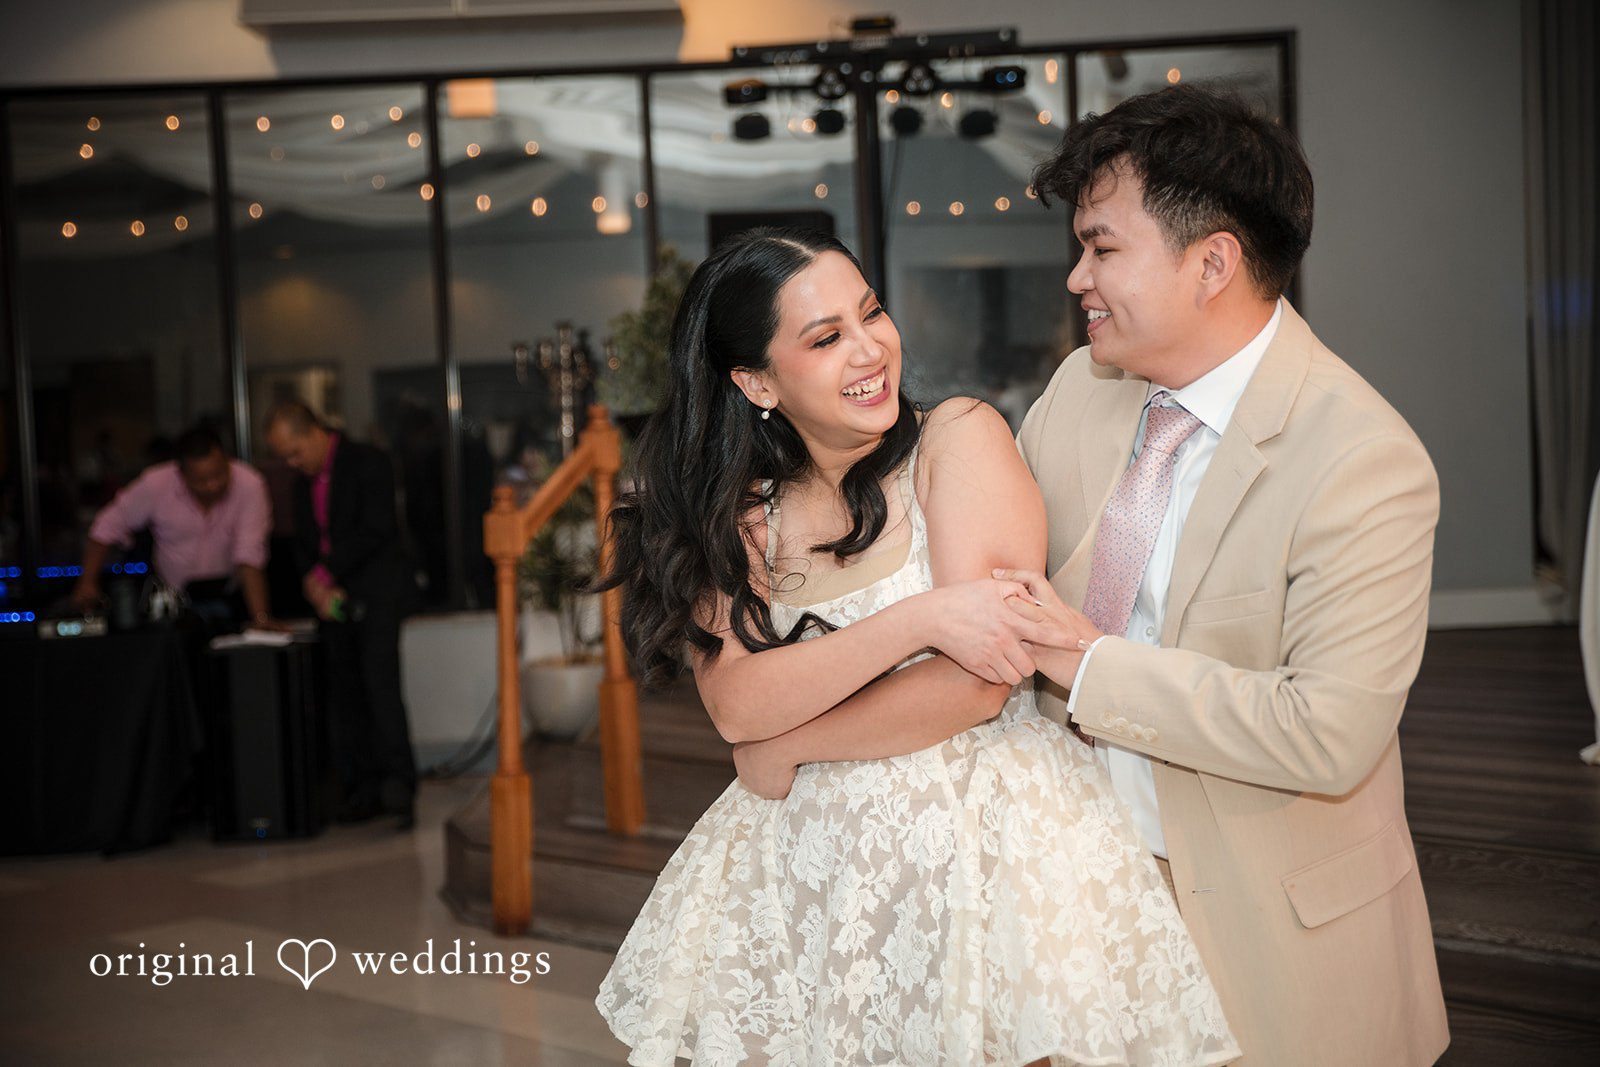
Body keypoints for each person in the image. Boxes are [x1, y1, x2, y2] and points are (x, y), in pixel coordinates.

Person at [593, 228, 1239, 1066]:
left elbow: (979, 681)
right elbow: (738, 706)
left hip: (982, 852)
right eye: (825, 338)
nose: (870, 349)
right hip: (815, 873)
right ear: (756, 381)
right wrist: (920, 621)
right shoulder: (744, 512)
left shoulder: (956, 437)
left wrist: (789, 744)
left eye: (871, 313)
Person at [993, 86, 1449, 1065]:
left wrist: (1087, 662)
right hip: (1067, 896)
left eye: (1101, 247)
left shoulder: (1361, 456)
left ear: (1212, 263)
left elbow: (1326, 732)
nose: (1076, 277)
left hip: (1267, 932)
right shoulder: (1077, 390)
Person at [263, 402, 419, 831]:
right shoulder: (301, 484)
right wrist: (313, 583)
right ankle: (360, 791)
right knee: (344, 697)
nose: (292, 463)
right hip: (330, 600)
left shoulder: (369, 461)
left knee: (380, 689)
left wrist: (327, 574)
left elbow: (376, 529)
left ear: (314, 432)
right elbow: (303, 541)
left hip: (375, 595)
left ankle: (398, 789)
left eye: (295, 452)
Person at [73, 423, 277, 628]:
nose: (212, 486)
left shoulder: (250, 484)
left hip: (233, 597)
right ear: (181, 473)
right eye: (201, 481)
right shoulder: (156, 484)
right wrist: (87, 583)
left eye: (219, 475)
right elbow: (106, 527)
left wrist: (260, 618)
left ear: (228, 461)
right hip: (172, 605)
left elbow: (250, 553)